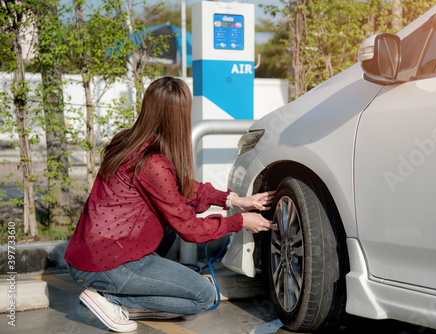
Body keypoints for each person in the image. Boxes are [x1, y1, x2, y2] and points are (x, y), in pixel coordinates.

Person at [64, 76, 277, 333]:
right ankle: (111, 299)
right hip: (107, 263)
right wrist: (238, 221)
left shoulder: (127, 141)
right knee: (202, 296)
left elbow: (177, 187)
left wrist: (233, 200)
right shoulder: (152, 162)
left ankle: (122, 286)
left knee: (165, 226)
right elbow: (190, 229)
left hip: (89, 253)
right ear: (179, 116)